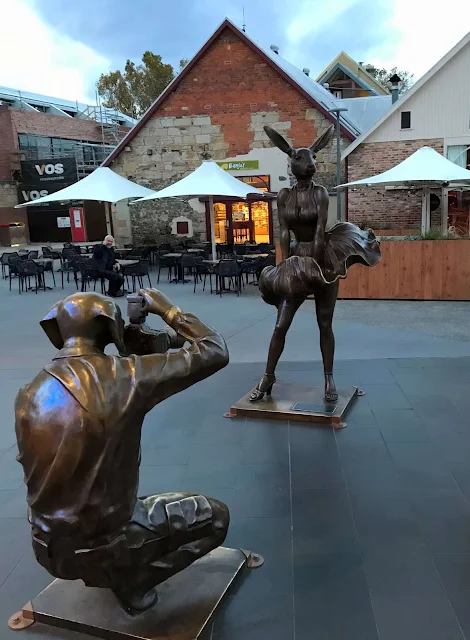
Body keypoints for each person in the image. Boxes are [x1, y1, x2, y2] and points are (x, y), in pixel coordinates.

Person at [15, 289, 230, 615]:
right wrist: (168, 310)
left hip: (46, 549)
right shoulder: (127, 376)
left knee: (147, 503)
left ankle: (117, 567)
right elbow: (214, 350)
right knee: (216, 518)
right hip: (108, 545)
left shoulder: (29, 393)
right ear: (111, 329)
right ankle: (134, 579)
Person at [250, 125, 381, 404]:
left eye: (312, 159)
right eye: (302, 159)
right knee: (281, 324)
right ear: (292, 162)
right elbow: (283, 231)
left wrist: (314, 266)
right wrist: (287, 266)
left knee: (324, 322)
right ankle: (268, 376)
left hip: (323, 258)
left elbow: (321, 230)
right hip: (296, 256)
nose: (310, 164)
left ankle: (329, 377)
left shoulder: (320, 193)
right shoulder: (284, 196)